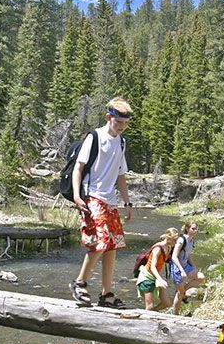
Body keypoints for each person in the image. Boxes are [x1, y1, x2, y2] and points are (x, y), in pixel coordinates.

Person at [69, 97, 133, 308]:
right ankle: (79, 283)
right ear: (108, 117)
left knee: (112, 245)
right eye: (118, 122)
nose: (122, 127)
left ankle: (106, 294)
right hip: (93, 196)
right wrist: (77, 196)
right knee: (101, 242)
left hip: (110, 200)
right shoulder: (95, 137)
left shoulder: (121, 142)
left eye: (125, 123)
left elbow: (120, 175)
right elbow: (79, 168)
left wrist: (127, 202)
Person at [135, 228, 178, 311]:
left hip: (155, 277)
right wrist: (160, 279)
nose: (176, 243)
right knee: (149, 306)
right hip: (146, 277)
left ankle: (150, 313)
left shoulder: (169, 247)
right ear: (169, 238)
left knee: (166, 303)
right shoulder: (157, 249)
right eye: (174, 240)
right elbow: (152, 267)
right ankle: (147, 317)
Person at [170, 221, 206, 315]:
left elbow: (188, 255)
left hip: (186, 266)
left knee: (201, 277)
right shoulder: (182, 240)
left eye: (196, 229)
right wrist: (182, 270)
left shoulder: (191, 240)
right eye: (193, 229)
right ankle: (175, 315)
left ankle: (183, 291)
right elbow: (174, 256)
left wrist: (194, 267)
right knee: (180, 294)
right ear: (187, 229)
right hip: (177, 268)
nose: (195, 231)